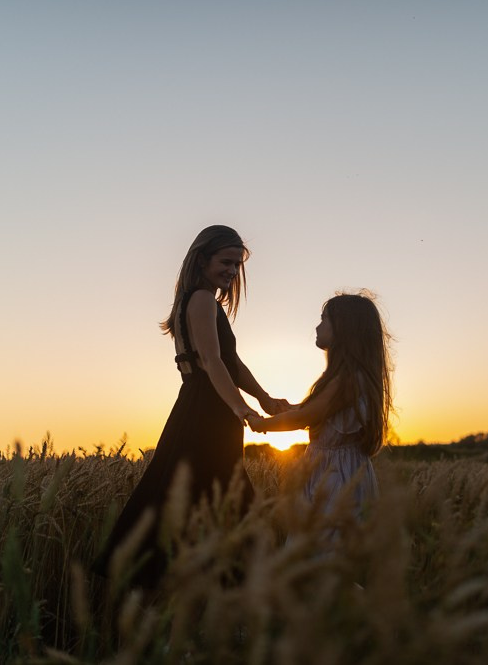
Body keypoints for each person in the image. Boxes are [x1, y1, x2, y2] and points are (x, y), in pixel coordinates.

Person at [94, 225, 288, 588]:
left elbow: (232, 363)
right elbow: (211, 361)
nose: (232, 271)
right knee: (221, 497)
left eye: (237, 265)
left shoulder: (203, 301)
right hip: (207, 410)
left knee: (204, 497)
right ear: (201, 260)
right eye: (225, 262)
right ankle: (227, 590)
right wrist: (241, 409)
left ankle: (204, 592)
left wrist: (263, 397)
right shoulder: (201, 299)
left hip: (204, 406)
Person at [248, 292, 393, 531]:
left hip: (337, 479)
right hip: (332, 471)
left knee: (327, 541)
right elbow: (315, 411)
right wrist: (286, 408)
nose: (317, 326)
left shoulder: (348, 379)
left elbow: (305, 417)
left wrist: (261, 424)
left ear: (344, 328)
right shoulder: (344, 377)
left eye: (324, 319)